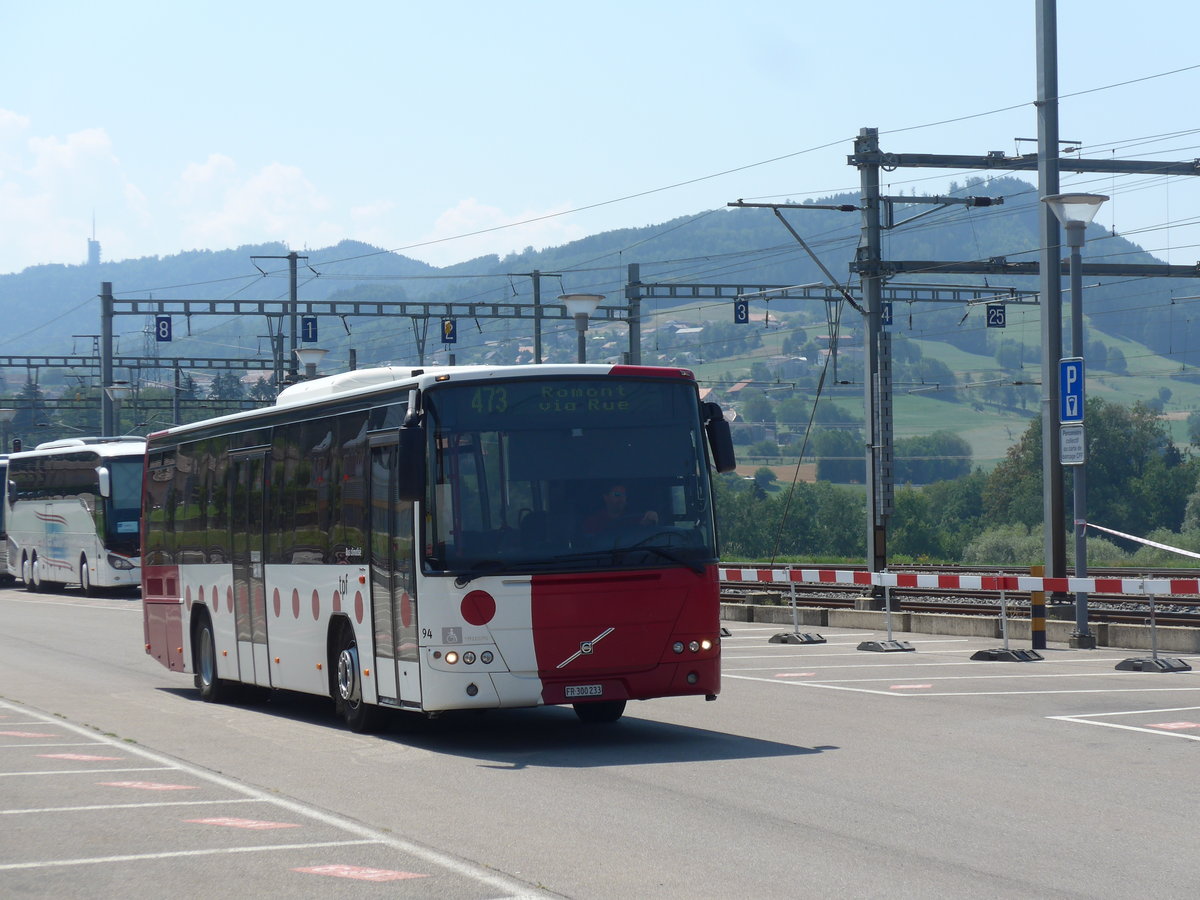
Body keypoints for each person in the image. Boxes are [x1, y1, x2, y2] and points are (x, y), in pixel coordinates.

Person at [581, 483, 657, 537]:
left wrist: (652, 518)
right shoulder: (593, 521)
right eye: (617, 495)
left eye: (624, 495)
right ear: (606, 497)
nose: (621, 499)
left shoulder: (635, 519)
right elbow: (591, 545)